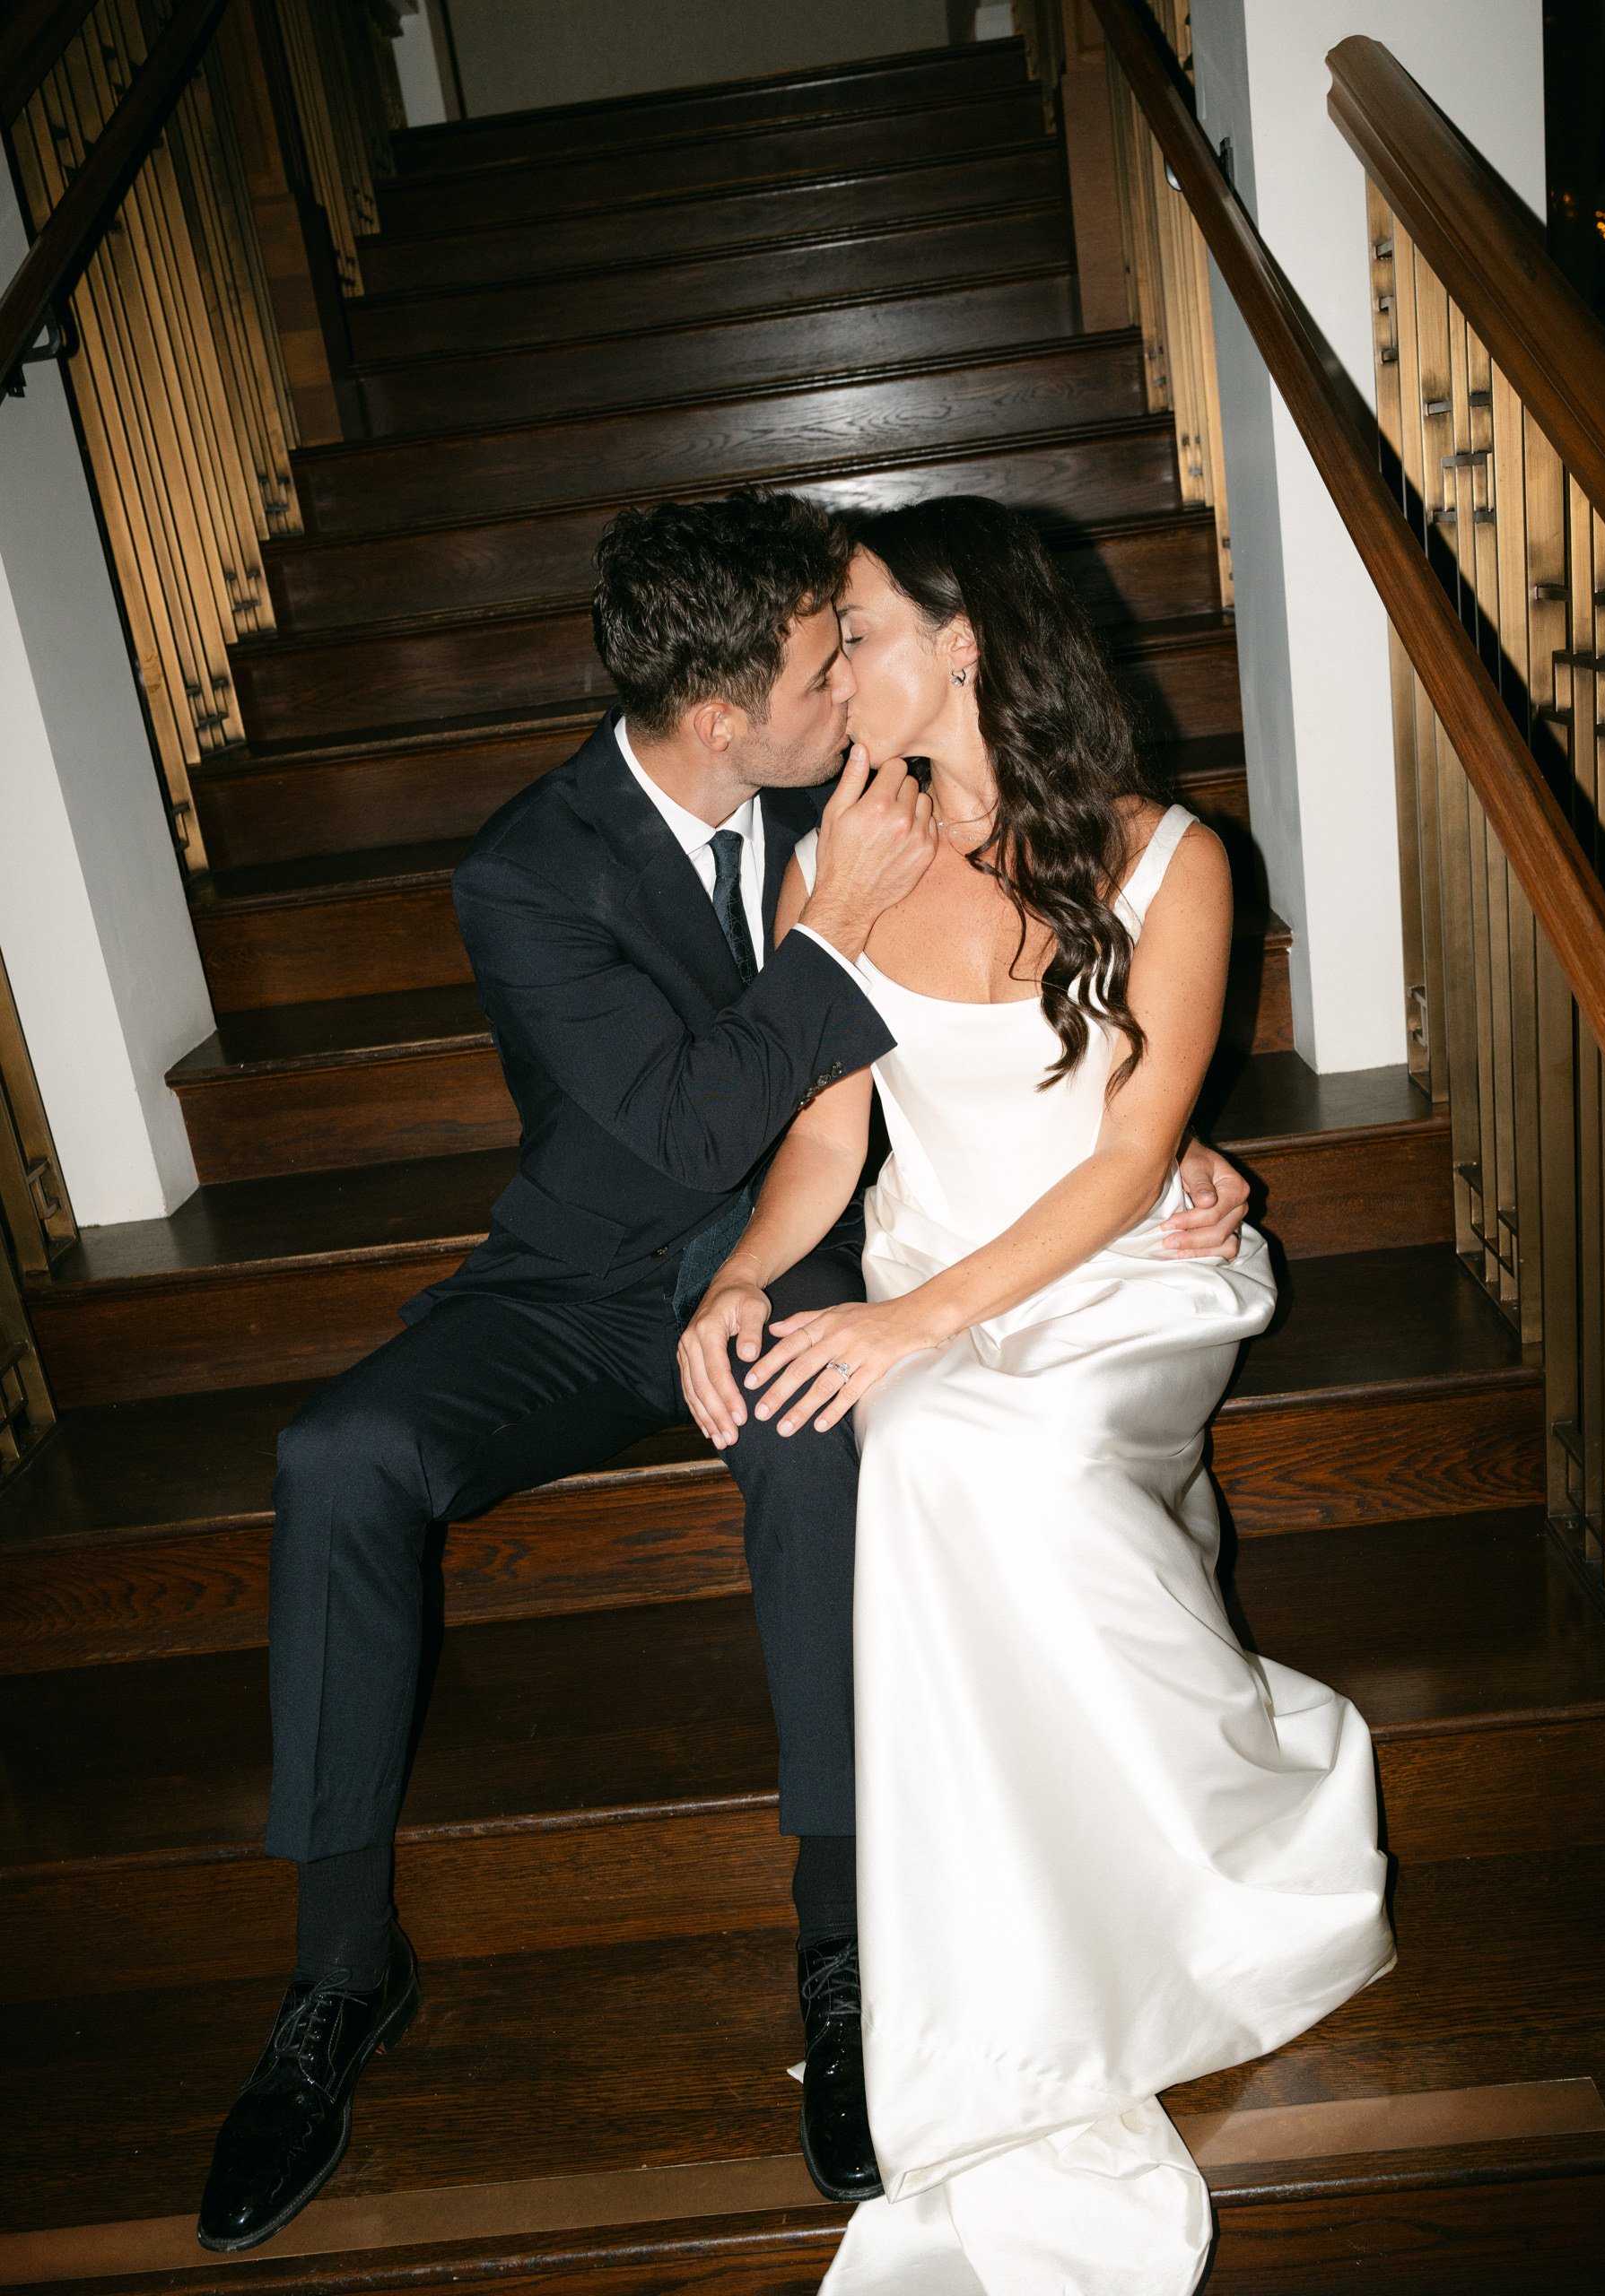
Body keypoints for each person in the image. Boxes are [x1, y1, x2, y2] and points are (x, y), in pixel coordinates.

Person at [196, 489, 1252, 2253]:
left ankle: (845, 1944)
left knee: (818, 1425)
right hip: (585, 1274)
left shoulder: (878, 787)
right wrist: (831, 934)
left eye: (858, 643)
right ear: (720, 714)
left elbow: (1054, 988)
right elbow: (693, 1119)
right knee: (337, 1457)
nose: (848, 682)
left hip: (791, 1255)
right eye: (818, 662)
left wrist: (1169, 1152)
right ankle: (335, 1973)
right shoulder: (529, 868)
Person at [676, 497, 1394, 2292]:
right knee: (915, 1447)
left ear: (968, 638)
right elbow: (830, 1130)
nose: (829, 666)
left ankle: (1229, 1829)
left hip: (1129, 1276)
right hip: (931, 1274)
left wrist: (921, 1331)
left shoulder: (1173, 859)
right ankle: (1008, 1943)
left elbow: (1137, 1149)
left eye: (855, 628)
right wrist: (760, 1272)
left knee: (973, 1440)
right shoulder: (831, 849)